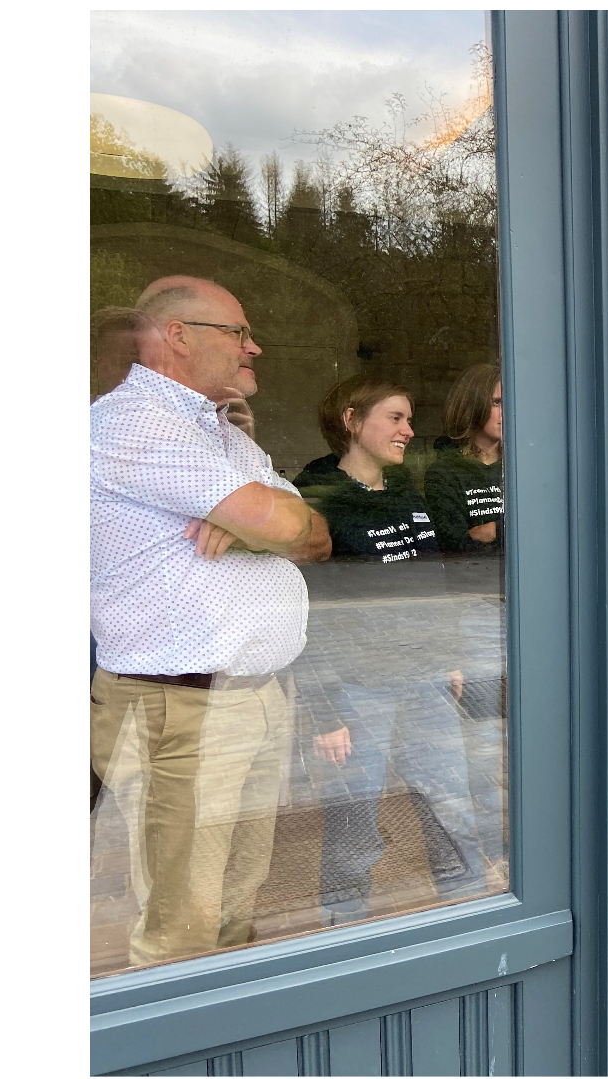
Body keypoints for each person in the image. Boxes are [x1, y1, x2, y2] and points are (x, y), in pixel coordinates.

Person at [90, 275, 331, 967]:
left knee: (236, 903)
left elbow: (313, 533)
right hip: (184, 706)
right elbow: (284, 519)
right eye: (239, 332)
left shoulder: (220, 435)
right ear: (178, 337)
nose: (254, 347)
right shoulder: (133, 421)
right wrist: (264, 519)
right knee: (180, 926)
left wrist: (254, 524)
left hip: (250, 698)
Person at [290, 373, 505, 925]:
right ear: (351, 420)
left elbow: (431, 583)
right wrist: (326, 710)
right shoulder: (318, 500)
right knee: (355, 820)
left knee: (448, 804)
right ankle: (343, 924)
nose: (409, 430)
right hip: (359, 689)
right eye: (396, 418)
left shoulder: (406, 490)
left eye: (409, 419)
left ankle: (468, 913)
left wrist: (450, 656)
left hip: (426, 677)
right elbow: (308, 610)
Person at [425, 364, 506, 557]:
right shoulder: (444, 473)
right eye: (497, 402)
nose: (507, 410)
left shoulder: (523, 465)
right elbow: (454, 546)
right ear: (472, 404)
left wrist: (495, 530)